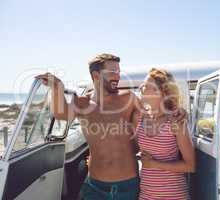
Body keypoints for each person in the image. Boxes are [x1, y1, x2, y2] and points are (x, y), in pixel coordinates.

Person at [36, 53, 185, 200]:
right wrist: (57, 87)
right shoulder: (83, 103)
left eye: (119, 71)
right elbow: (61, 114)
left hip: (128, 185)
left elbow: (154, 112)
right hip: (96, 187)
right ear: (96, 75)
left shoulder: (128, 98)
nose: (118, 76)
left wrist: (176, 110)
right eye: (113, 71)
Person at [133, 68, 195, 200]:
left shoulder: (175, 121)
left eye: (146, 86)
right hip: (146, 195)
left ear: (161, 92)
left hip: (174, 195)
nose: (141, 88)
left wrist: (155, 164)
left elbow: (190, 166)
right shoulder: (141, 118)